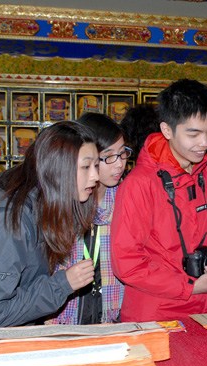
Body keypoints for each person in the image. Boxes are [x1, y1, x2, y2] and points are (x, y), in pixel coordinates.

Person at [111, 79, 207, 322]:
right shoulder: (140, 183)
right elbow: (127, 263)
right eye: (193, 133)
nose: (205, 142)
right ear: (167, 130)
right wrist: (191, 287)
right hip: (156, 316)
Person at [0, 121, 99, 327]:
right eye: (86, 166)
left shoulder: (39, 209)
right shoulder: (8, 223)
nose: (95, 176)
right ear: (56, 168)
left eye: (96, 165)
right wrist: (62, 285)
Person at [47, 113, 129, 325]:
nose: (119, 164)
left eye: (123, 154)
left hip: (111, 318)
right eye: (109, 156)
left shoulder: (125, 199)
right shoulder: (63, 201)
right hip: (65, 318)